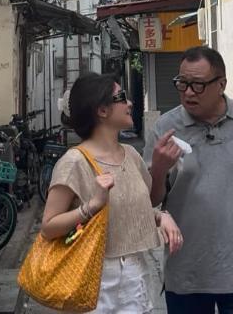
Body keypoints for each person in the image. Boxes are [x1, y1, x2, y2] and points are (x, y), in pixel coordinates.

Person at [143, 46, 233, 314]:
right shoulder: (165, 128)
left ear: (221, 84)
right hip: (187, 268)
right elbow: (151, 200)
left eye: (197, 85)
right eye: (182, 83)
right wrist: (160, 168)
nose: (188, 92)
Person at [41, 73, 183, 313]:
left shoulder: (131, 155)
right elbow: (48, 227)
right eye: (121, 97)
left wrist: (161, 216)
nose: (130, 103)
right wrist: (92, 206)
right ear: (102, 110)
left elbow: (141, 205)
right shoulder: (74, 162)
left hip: (135, 274)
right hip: (92, 275)